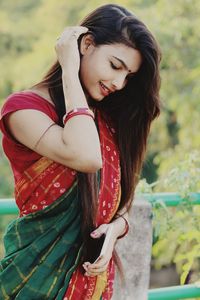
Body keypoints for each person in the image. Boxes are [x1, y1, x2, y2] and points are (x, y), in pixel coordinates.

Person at [0, 3, 161, 299]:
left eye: (129, 76)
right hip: (34, 278)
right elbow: (86, 156)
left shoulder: (108, 119)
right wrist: (69, 70)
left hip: (94, 282)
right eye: (115, 66)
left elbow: (120, 193)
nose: (118, 83)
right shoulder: (23, 109)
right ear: (86, 44)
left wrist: (118, 227)